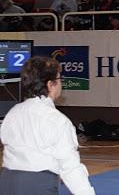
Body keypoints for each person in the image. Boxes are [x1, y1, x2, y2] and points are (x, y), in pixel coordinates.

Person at [0, 56, 95, 195]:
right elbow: (70, 168)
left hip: (7, 182)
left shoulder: (13, 113)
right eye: (59, 78)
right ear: (51, 84)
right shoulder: (57, 120)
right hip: (37, 185)